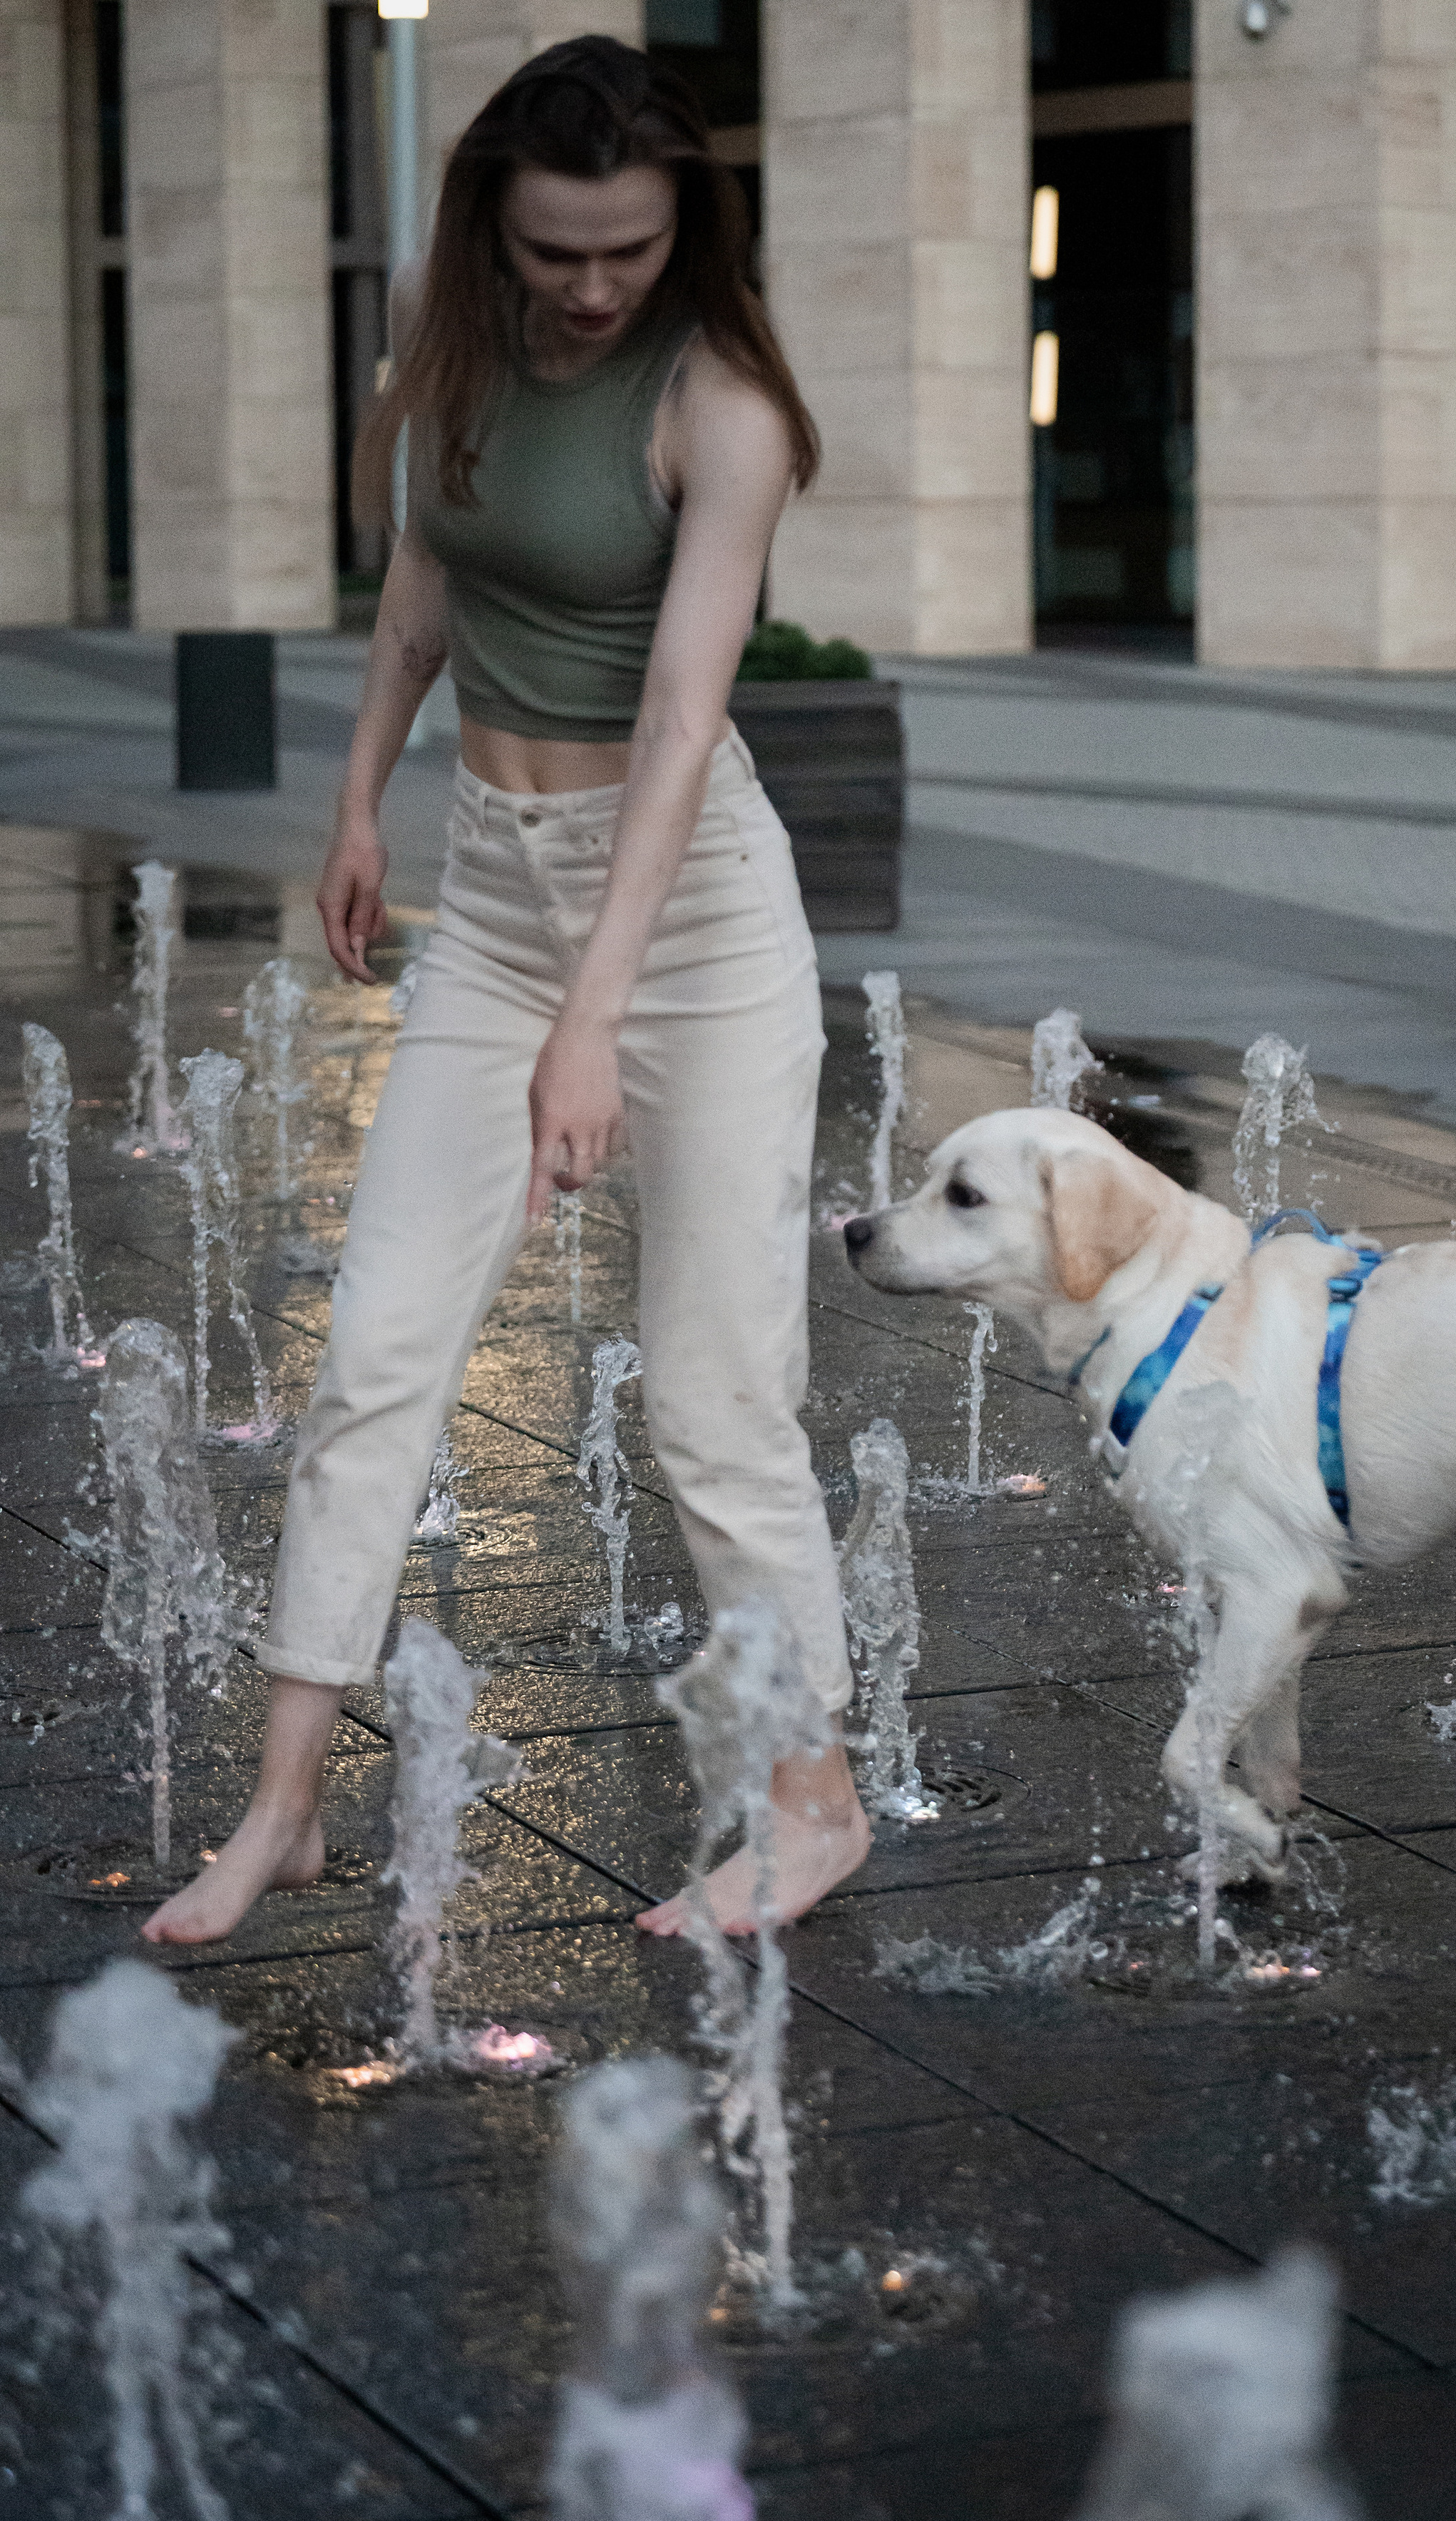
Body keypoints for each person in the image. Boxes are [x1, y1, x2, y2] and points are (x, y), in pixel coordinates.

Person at [143, 35, 870, 1948]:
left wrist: (590, 1015)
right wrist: (364, 797)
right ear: (495, 223)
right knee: (375, 1349)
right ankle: (288, 1808)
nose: (592, 285)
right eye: (557, 249)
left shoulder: (721, 406)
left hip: (690, 919)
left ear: (681, 228)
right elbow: (419, 583)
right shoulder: (441, 318)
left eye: (628, 248)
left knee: (718, 1404)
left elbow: (685, 714)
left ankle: (814, 1805)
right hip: (491, 889)